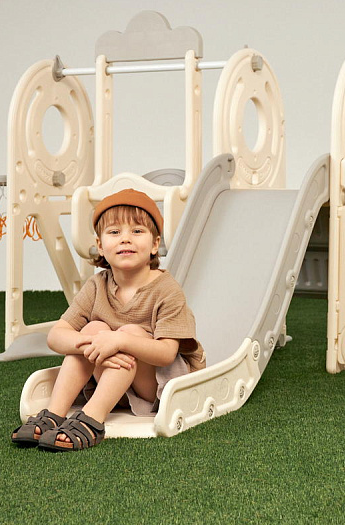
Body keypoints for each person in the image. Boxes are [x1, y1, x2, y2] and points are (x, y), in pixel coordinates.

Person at [11, 188, 205, 451]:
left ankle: (92, 418)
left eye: (137, 231)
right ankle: (55, 413)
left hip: (160, 389)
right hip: (113, 383)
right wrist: (95, 343)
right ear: (100, 245)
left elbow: (166, 353)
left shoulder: (166, 290)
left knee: (130, 332)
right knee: (93, 329)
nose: (125, 239)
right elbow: (56, 336)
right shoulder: (97, 285)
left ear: (154, 244)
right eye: (114, 232)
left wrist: (119, 341)